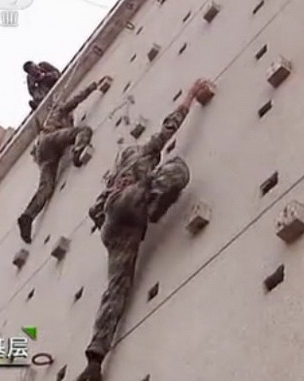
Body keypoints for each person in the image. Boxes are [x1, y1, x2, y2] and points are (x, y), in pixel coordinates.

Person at [77, 79, 214, 381]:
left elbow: (94, 211)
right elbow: (168, 128)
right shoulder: (142, 155)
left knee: (117, 288)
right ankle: (153, 208)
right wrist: (190, 95)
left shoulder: (113, 179)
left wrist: (108, 217)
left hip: (116, 231)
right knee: (177, 168)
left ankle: (94, 361)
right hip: (129, 205)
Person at [17, 79, 104, 243]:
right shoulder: (58, 111)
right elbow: (75, 100)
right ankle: (77, 151)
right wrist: (92, 87)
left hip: (44, 153)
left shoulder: (54, 121)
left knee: (47, 186)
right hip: (50, 141)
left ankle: (28, 216)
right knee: (83, 131)